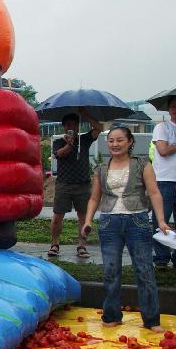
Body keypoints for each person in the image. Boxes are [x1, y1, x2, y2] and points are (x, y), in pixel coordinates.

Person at [82, 126, 169, 332]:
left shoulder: (142, 164)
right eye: (111, 140)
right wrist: (87, 221)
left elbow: (154, 192)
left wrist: (162, 220)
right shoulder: (101, 168)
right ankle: (111, 315)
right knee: (111, 271)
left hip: (137, 222)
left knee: (144, 270)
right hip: (109, 224)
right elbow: (94, 197)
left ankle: (151, 320)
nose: (115, 144)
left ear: (130, 142)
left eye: (120, 140)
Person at [48, 110, 101, 258]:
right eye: (68, 125)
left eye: (74, 124)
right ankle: (55, 244)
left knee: (83, 217)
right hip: (64, 184)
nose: (71, 127)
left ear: (78, 126)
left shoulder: (84, 139)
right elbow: (59, 154)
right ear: (64, 127)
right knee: (58, 216)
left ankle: (82, 246)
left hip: (83, 184)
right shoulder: (59, 142)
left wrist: (85, 114)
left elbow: (99, 128)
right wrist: (69, 144)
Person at [151, 96, 176, 269]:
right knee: (160, 221)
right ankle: (161, 258)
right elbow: (163, 150)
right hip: (164, 180)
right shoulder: (162, 127)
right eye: (173, 106)